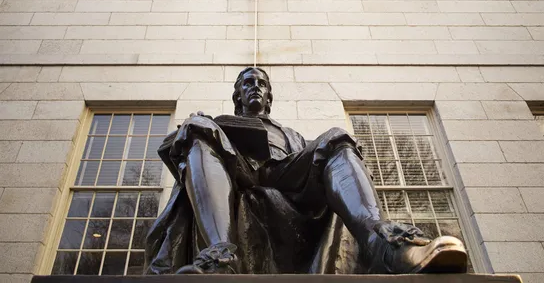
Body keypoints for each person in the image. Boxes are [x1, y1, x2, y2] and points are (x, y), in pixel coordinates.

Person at [145, 67, 467, 275]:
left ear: (269, 96)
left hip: (289, 177)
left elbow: (307, 162)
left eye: (261, 84)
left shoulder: (292, 135)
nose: (254, 87)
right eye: (247, 83)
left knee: (337, 138)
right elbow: (184, 152)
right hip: (239, 172)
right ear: (237, 95)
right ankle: (220, 254)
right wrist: (200, 124)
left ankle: (382, 240)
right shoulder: (218, 124)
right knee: (197, 127)